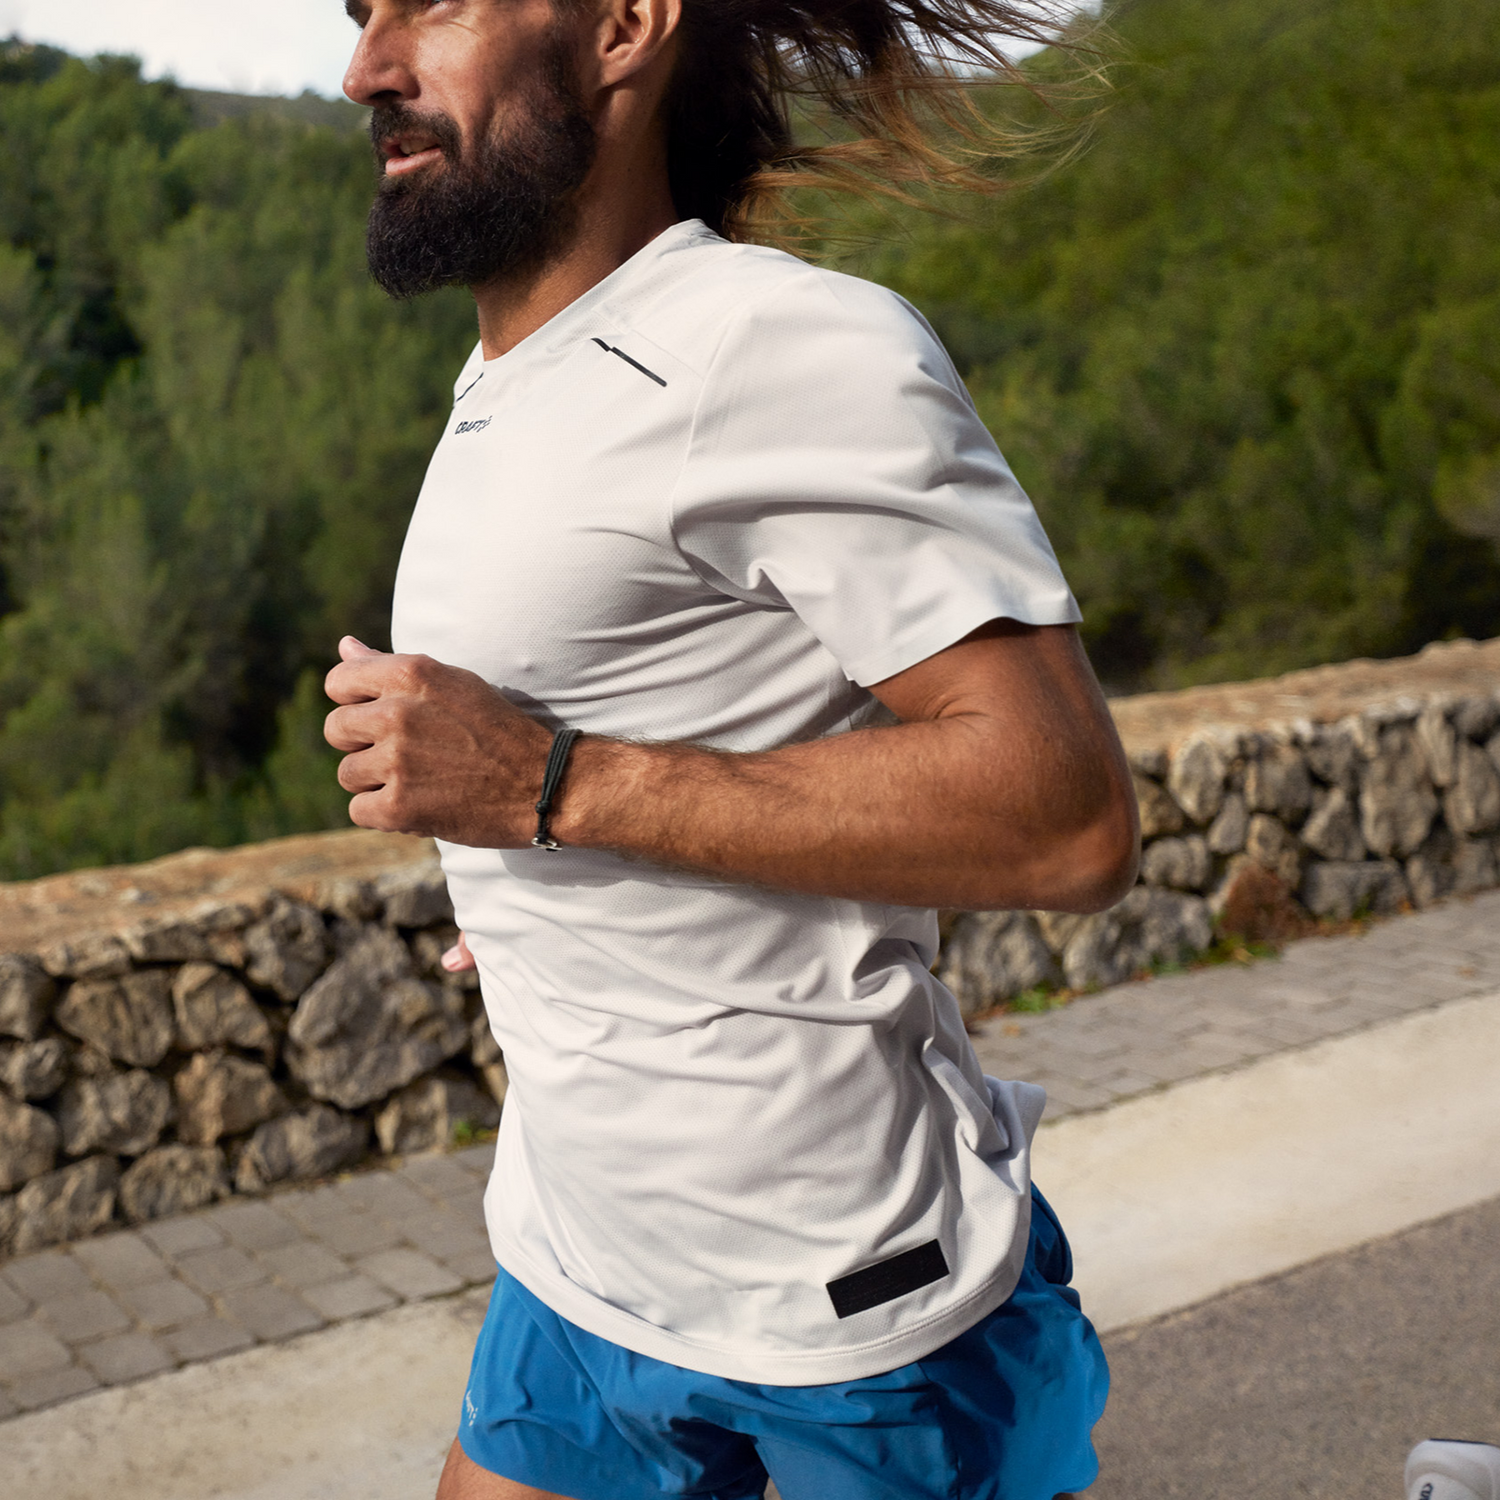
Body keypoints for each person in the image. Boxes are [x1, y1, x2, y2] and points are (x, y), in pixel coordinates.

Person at [326, 0, 1138, 1496]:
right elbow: (692, 713)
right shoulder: (510, 377)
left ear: (626, 28)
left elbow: (1064, 812)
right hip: (575, 1269)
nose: (365, 67)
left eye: (428, 6)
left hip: (854, 1314)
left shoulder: (779, 342)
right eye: (357, 12)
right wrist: (554, 898)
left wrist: (549, 784)